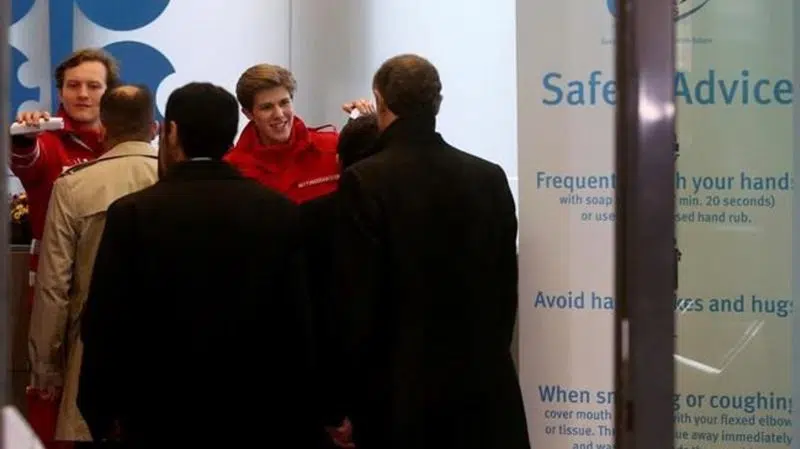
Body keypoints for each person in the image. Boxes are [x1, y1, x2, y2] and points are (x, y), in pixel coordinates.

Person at [77, 82, 319, 446]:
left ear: (172, 132)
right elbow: (297, 318)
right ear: (233, 131)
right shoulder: (278, 211)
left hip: (157, 412)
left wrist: (100, 411)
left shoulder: (133, 213)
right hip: (258, 411)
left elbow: (106, 320)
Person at [333, 54, 530, 449]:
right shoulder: (488, 177)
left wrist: (342, 400)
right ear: (437, 103)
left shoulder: (365, 181)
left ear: (381, 102)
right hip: (483, 388)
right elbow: (504, 289)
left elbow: (359, 300)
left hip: (400, 394)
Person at [27, 84, 159, 446]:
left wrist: (45, 367)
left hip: (93, 353)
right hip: (168, 353)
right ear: (155, 128)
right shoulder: (176, 182)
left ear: (103, 129)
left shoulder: (73, 186)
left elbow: (54, 285)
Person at [9, 48, 120, 310]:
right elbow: (26, 162)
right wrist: (24, 139)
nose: (83, 94)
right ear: (60, 93)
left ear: (110, 93)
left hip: (113, 274)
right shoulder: (43, 139)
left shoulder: (124, 143)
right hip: (57, 279)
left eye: (94, 86)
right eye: (73, 85)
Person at [300, 113, 381, 448]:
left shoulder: (309, 219)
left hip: (333, 383)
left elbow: (308, 314)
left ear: (338, 161)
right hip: (397, 386)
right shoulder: (408, 214)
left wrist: (329, 409)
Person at [224, 63, 373, 203]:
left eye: (284, 103)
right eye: (267, 107)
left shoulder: (333, 147)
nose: (279, 114)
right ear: (248, 114)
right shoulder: (232, 169)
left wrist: (371, 125)